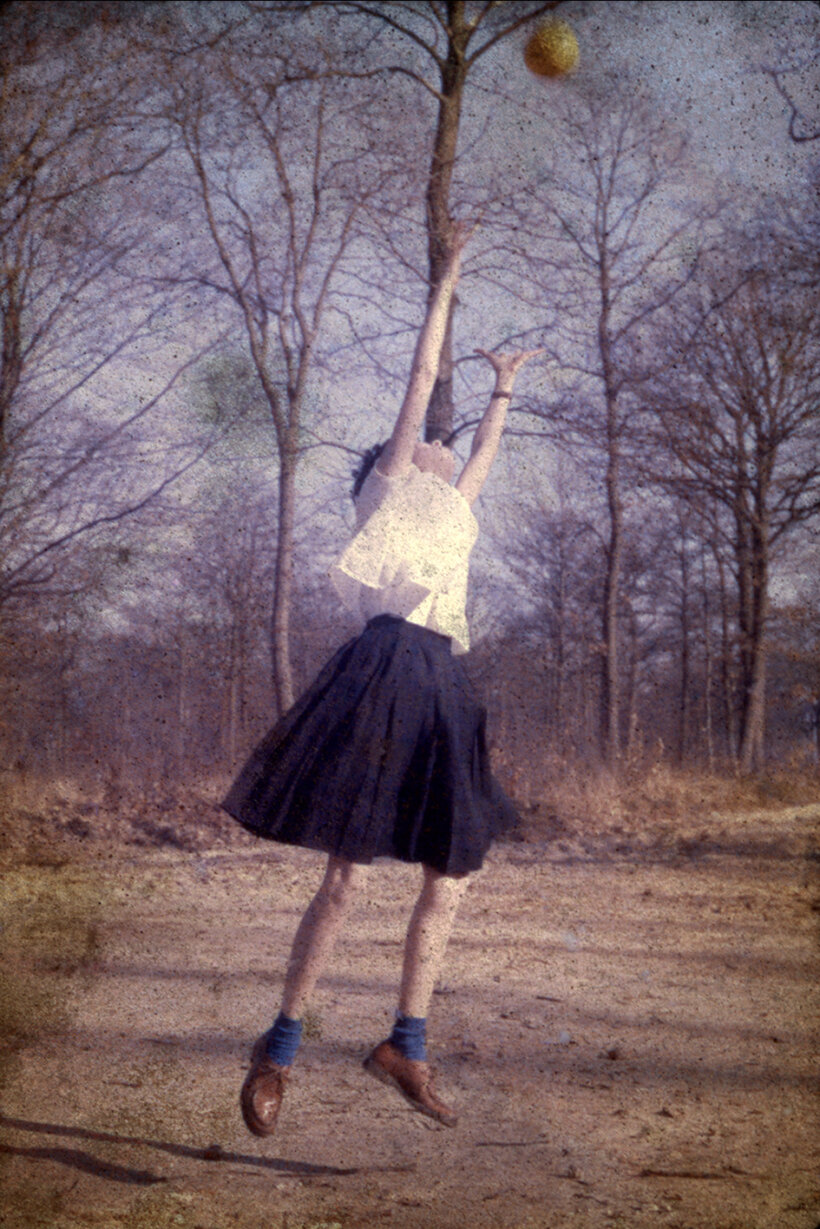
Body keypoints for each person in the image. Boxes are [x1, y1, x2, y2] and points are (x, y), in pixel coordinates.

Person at [222, 224, 541, 1136]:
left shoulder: (452, 508)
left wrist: (504, 386)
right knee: (345, 878)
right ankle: (280, 1046)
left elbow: (484, 458)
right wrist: (448, 275)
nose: (442, 444)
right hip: (385, 670)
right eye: (428, 442)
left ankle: (406, 1043)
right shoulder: (389, 487)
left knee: (452, 876)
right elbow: (419, 380)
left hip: (444, 684)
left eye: (444, 444)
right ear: (392, 466)